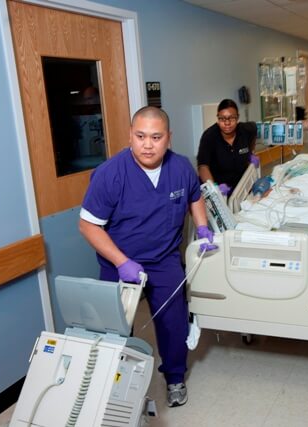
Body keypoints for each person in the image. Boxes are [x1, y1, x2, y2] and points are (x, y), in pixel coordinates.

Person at [78, 106, 213, 407]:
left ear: (168, 138)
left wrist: (202, 227)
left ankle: (175, 378)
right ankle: (111, 391)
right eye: (140, 136)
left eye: (156, 136)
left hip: (164, 260)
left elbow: (195, 196)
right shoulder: (110, 174)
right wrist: (122, 262)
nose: (147, 144)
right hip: (120, 261)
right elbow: (87, 225)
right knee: (114, 329)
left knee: (173, 323)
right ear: (130, 136)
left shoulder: (180, 167)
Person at [197, 99, 259, 195]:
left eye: (231, 118)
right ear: (218, 118)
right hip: (219, 189)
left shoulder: (245, 130)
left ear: (237, 118)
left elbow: (254, 129)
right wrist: (214, 188)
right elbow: (202, 166)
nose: (227, 123)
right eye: (222, 118)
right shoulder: (209, 137)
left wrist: (250, 152)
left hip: (240, 189)